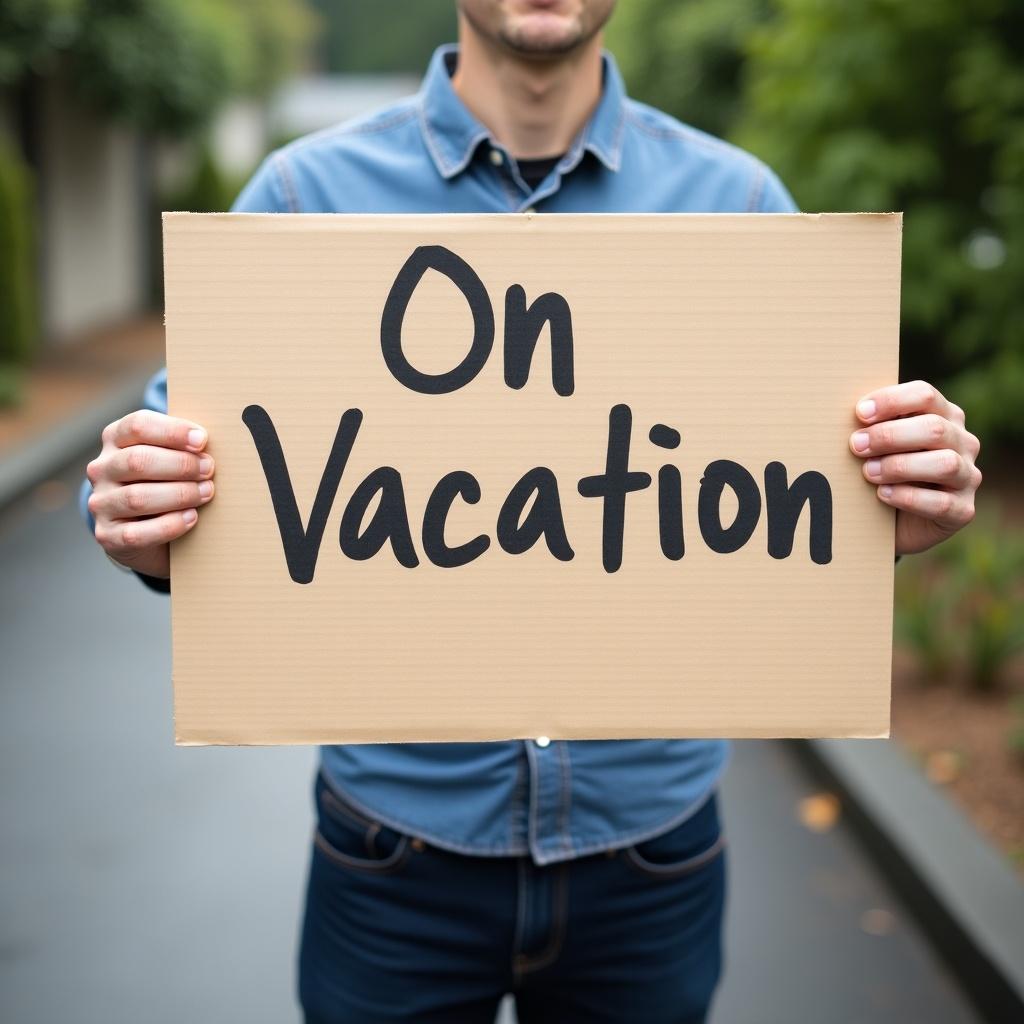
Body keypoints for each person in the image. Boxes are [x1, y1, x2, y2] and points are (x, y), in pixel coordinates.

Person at [80, 2, 982, 1021]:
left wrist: (894, 510)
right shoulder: (300, 197)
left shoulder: (739, 204)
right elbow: (160, 485)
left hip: (654, 857)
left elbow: (803, 502)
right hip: (391, 859)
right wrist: (140, 511)